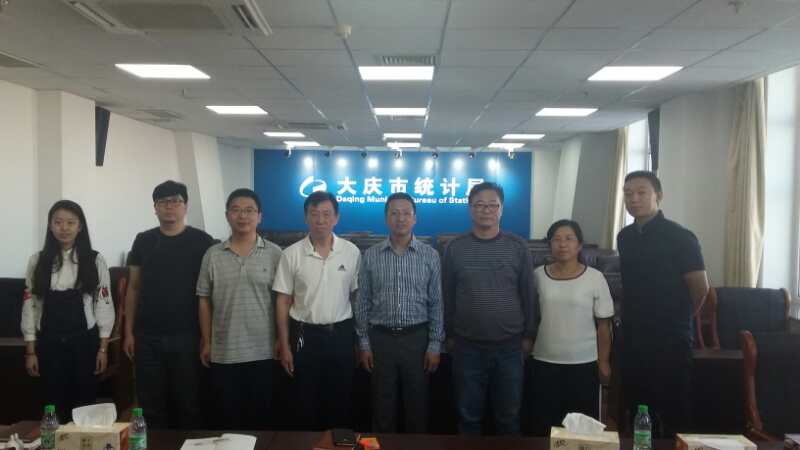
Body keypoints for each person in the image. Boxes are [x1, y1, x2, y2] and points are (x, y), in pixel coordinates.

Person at [617, 170, 709, 437]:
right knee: (638, 405)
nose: (634, 199)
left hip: (670, 338)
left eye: (641, 192)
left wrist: (679, 318)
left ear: (658, 195)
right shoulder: (624, 237)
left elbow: (700, 288)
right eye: (628, 194)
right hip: (633, 335)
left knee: (674, 406)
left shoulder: (681, 237)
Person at [442, 182, 538, 435]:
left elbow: (528, 293)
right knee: (468, 416)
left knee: (509, 417)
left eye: (492, 205)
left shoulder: (518, 246)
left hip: (510, 346)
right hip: (466, 347)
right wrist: (449, 334)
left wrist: (529, 335)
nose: (486, 210)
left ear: (501, 209)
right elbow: (447, 294)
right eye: (479, 205)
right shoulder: (455, 247)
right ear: (470, 208)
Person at [124, 180, 214, 429]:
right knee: (150, 404)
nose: (169, 206)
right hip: (148, 337)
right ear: (155, 208)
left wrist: (209, 337)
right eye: (163, 202)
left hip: (189, 336)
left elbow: (210, 293)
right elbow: (133, 288)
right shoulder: (143, 240)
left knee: (189, 403)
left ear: (186, 206)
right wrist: (128, 332)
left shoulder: (203, 241)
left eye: (176, 201)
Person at [354, 192, 443, 433]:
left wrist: (435, 344)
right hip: (381, 340)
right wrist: (364, 343)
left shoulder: (430, 255)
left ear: (415, 218)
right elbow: (362, 302)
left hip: (417, 339)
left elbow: (436, 303)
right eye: (394, 213)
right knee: (382, 408)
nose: (400, 218)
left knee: (417, 407)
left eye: (406, 213)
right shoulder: (371, 255)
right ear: (386, 218)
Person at [274, 191, 361, 430]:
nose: (320, 220)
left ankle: (337, 444)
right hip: (304, 335)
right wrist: (284, 345)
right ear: (306, 217)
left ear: (336, 217)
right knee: (304, 400)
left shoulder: (351, 252)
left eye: (326, 214)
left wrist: (358, 341)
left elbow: (356, 298)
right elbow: (283, 301)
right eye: (314, 214)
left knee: (340, 399)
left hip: (341, 334)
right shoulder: (291, 254)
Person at [197, 188, 282, 430]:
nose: (242, 216)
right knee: (227, 419)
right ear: (227, 215)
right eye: (236, 210)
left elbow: (282, 300)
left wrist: (281, 339)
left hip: (264, 350)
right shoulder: (212, 255)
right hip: (224, 351)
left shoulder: (275, 254)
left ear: (259, 216)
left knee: (262, 419)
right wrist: (207, 341)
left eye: (249, 210)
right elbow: (204, 299)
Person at [22, 200, 114, 421]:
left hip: (84, 342)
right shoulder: (37, 261)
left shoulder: (94, 259)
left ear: (80, 226)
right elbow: (30, 306)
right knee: (52, 404)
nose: (64, 228)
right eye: (58, 222)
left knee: (84, 405)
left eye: (71, 222)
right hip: (49, 342)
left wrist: (103, 349)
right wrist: (30, 351)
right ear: (50, 226)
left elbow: (104, 304)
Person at [528, 220, 614, 436]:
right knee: (544, 424)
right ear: (549, 245)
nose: (562, 244)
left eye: (569, 239)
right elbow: (531, 318)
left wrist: (603, 362)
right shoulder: (537, 276)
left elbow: (604, 325)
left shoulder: (595, 277)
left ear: (579, 245)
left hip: (584, 364)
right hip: (544, 360)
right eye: (556, 239)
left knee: (581, 427)